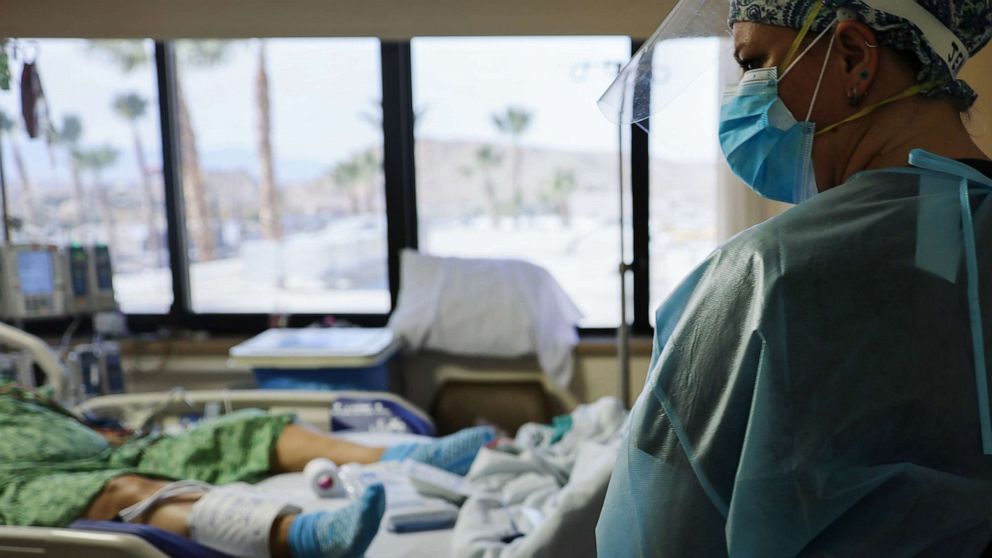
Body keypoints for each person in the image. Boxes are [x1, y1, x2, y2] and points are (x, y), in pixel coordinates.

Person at [596, 0, 992, 556]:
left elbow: (654, 534)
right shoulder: (950, 244)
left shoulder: (767, 275)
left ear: (854, 57)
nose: (741, 92)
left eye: (753, 62)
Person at [0, 382, 494, 558]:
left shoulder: (12, 390)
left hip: (119, 447)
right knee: (127, 492)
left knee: (246, 428)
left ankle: (403, 460)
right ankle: (304, 537)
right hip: (25, 484)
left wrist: (98, 430)